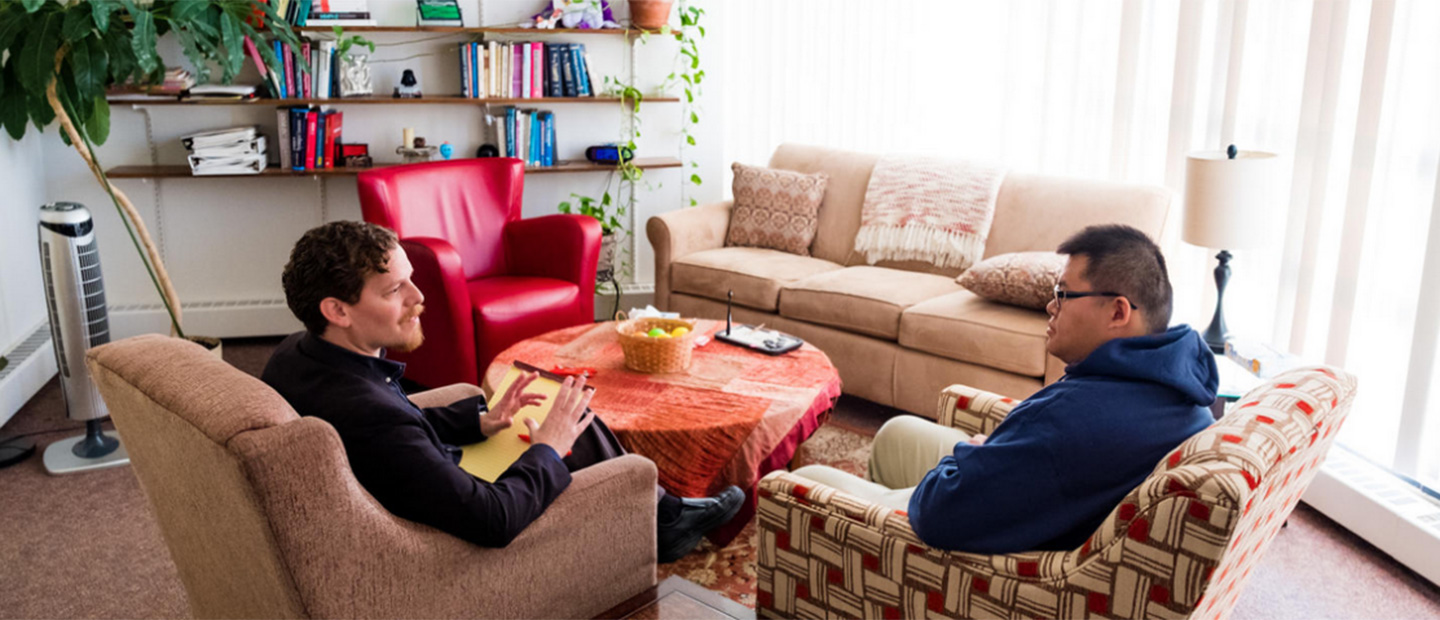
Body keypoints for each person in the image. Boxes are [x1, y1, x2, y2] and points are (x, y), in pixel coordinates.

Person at [261, 221, 742, 562]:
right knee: (565, 429)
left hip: (419, 480)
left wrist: (477, 421)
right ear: (337, 310)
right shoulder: (368, 412)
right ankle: (664, 515)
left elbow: (392, 439)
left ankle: (665, 515)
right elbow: (490, 520)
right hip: (447, 534)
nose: (418, 299)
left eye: (411, 280)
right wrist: (550, 448)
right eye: (393, 291)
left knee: (565, 407)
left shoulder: (298, 356)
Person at [790, 224, 1216, 553]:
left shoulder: (1077, 418)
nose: (1051, 306)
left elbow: (940, 513)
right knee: (895, 434)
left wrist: (973, 455)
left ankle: (884, 556)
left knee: (803, 481)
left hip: (982, 542)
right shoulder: (1177, 384)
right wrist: (989, 452)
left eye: (1063, 294)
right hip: (1024, 486)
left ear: (1118, 311)